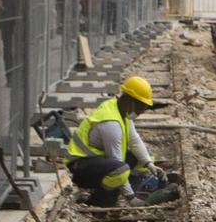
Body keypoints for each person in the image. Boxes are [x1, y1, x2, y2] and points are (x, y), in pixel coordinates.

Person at [66, 75, 175, 207]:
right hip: (80, 167)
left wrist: (149, 164)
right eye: (140, 108)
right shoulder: (111, 124)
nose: (140, 113)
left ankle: (135, 186)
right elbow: (117, 162)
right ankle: (99, 200)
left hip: (97, 158)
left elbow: (134, 141)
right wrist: (131, 198)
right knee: (121, 171)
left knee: (142, 159)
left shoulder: (119, 108)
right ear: (130, 101)